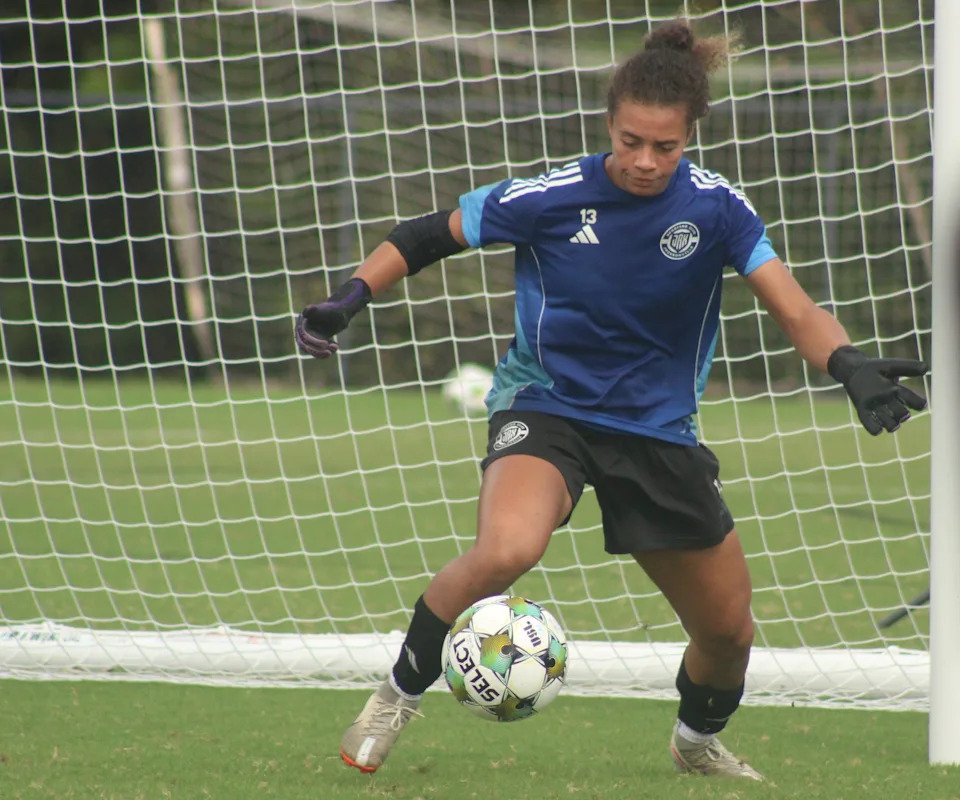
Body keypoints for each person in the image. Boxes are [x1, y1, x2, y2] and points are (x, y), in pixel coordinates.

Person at [295, 20, 928, 781]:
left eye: (665, 146)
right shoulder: (552, 196)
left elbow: (792, 307)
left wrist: (850, 365)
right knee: (508, 550)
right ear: (610, 125)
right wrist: (351, 296)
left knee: (728, 633)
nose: (645, 161)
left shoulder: (718, 210)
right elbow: (428, 234)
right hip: (548, 407)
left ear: (691, 134)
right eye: (631, 141)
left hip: (658, 431)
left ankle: (696, 742)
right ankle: (397, 694)